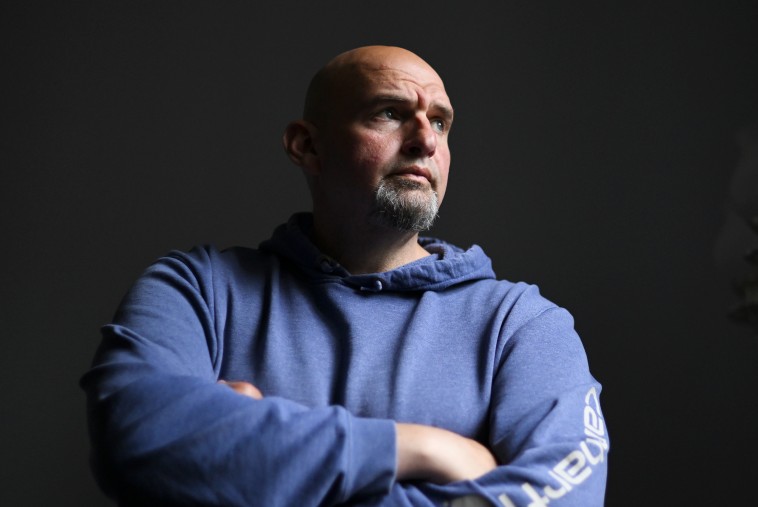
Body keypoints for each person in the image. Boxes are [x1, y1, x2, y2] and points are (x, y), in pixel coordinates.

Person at [81, 46, 609, 506]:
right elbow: (136, 439)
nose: (426, 141)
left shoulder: (521, 326)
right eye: (389, 112)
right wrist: (428, 449)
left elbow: (563, 496)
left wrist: (255, 466)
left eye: (441, 122)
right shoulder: (198, 290)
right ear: (306, 146)